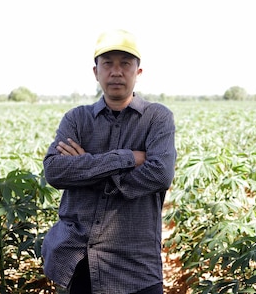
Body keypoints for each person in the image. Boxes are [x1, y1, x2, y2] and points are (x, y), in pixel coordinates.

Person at [41, 29, 177, 294]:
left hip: (136, 266)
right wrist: (128, 158)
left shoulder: (157, 118)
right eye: (108, 64)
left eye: (125, 63)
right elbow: (55, 170)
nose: (116, 71)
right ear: (96, 72)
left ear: (137, 72)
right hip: (79, 261)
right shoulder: (76, 119)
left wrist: (85, 169)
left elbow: (160, 173)